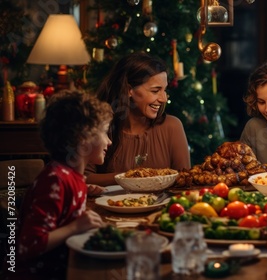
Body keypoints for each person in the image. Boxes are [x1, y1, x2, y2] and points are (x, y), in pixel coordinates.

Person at [9, 91, 109, 279]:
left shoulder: (71, 177)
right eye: (104, 132)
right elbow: (28, 245)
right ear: (83, 138)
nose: (109, 141)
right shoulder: (56, 179)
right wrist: (76, 227)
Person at [85, 52, 191, 187]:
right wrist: (128, 177)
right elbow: (83, 177)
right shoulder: (102, 127)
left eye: (164, 90)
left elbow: (184, 180)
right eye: (155, 91)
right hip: (113, 207)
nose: (163, 98)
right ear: (130, 90)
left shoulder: (172, 126)